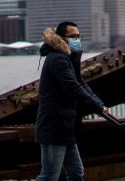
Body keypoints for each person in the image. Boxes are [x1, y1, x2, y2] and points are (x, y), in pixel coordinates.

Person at [34, 21, 107, 181]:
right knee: (49, 176)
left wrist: (99, 104)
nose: (77, 39)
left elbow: (80, 83)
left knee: (76, 173)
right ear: (62, 39)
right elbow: (73, 88)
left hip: (65, 126)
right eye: (72, 36)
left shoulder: (67, 59)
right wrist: (97, 107)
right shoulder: (58, 59)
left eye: (78, 36)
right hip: (54, 127)